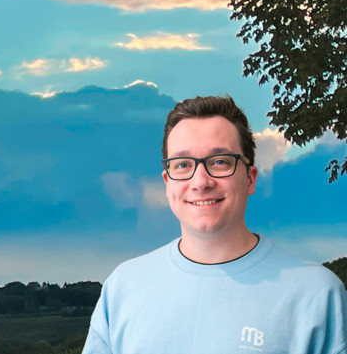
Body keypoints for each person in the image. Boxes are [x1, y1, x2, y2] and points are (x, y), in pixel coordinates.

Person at [83, 95, 347, 354]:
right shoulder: (123, 287)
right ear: (167, 182)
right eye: (183, 164)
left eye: (220, 162)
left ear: (250, 179)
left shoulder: (317, 295)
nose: (201, 181)